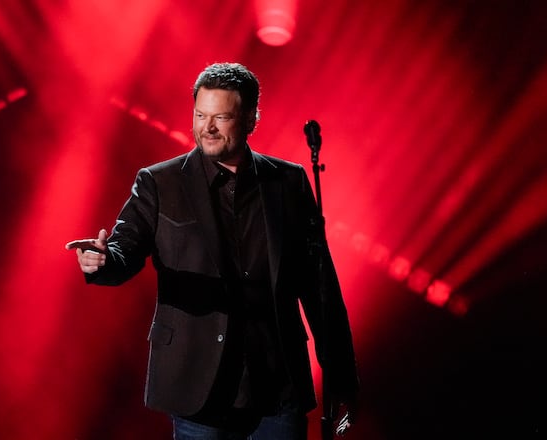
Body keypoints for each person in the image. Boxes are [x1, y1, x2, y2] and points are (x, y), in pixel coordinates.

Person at [66, 62, 359, 439]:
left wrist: (343, 378)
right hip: (199, 389)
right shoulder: (160, 182)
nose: (207, 128)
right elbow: (125, 249)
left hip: (277, 387)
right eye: (200, 115)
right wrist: (102, 261)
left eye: (221, 116)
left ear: (252, 117)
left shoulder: (287, 182)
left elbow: (320, 290)